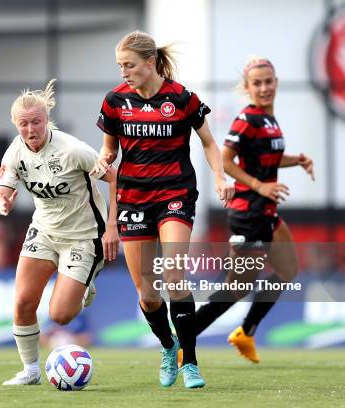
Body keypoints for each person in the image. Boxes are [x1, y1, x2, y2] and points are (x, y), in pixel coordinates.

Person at [91, 31, 234, 389]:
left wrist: (219, 176)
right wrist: (102, 161)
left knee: (174, 277)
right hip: (133, 198)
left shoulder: (182, 98)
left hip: (175, 194)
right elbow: (109, 149)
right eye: (120, 66)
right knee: (148, 294)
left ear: (150, 62)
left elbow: (209, 143)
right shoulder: (114, 102)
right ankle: (168, 346)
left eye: (129, 65)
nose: (124, 72)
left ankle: (190, 362)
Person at [0, 79, 119, 385]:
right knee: (23, 302)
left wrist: (113, 226)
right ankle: (30, 370)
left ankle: (87, 280)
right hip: (44, 232)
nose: (30, 129)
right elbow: (0, 192)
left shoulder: (74, 150)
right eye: (23, 124)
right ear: (16, 124)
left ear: (47, 120)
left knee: (61, 315)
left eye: (36, 121)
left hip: (83, 235)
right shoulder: (14, 153)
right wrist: (2, 203)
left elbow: (115, 180)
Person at [193, 56, 315, 363]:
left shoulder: (269, 120)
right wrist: (259, 186)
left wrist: (297, 159)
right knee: (237, 288)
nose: (264, 87)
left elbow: (268, 159)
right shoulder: (247, 119)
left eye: (268, 81)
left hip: (267, 212)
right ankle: (185, 333)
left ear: (276, 82)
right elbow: (226, 160)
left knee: (287, 270)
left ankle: (246, 332)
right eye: (257, 83)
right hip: (249, 212)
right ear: (247, 88)